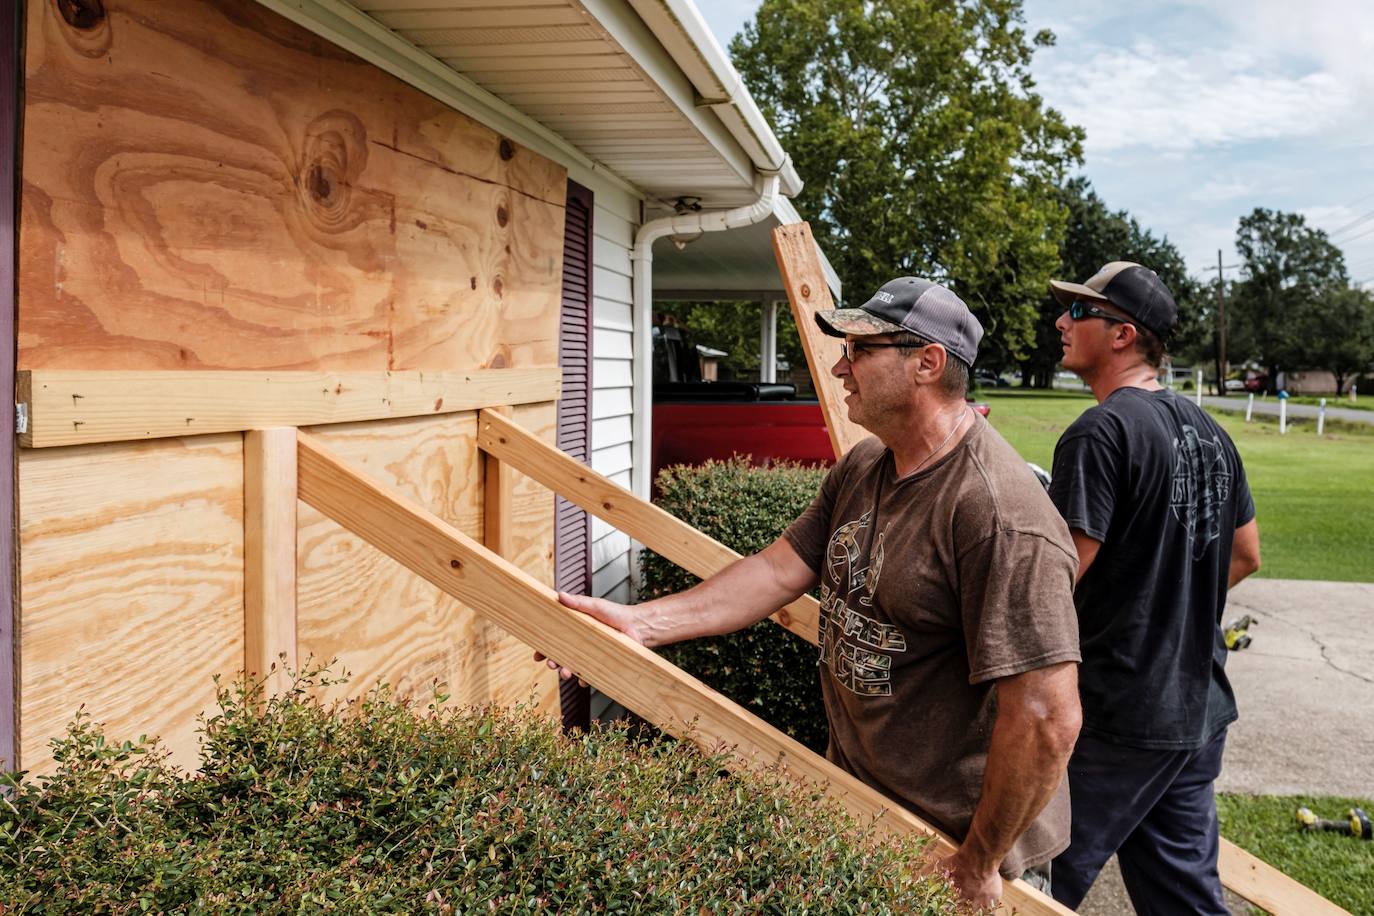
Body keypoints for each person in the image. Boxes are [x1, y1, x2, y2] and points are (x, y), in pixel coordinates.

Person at [546, 277, 1083, 908]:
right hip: (864, 810)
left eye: (859, 351)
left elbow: (1047, 717)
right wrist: (643, 623)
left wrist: (979, 860)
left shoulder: (999, 514)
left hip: (956, 851)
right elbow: (776, 572)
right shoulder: (865, 466)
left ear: (928, 364)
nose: (839, 366)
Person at [1044, 261, 1262, 913]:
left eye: (1079, 312)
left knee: (1032, 878)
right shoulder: (1213, 434)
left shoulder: (1100, 433)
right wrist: (1163, 594)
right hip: (1196, 708)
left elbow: (1055, 580)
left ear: (1122, 335)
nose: (1061, 321)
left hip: (1119, 714)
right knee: (1183, 895)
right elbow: (1247, 554)